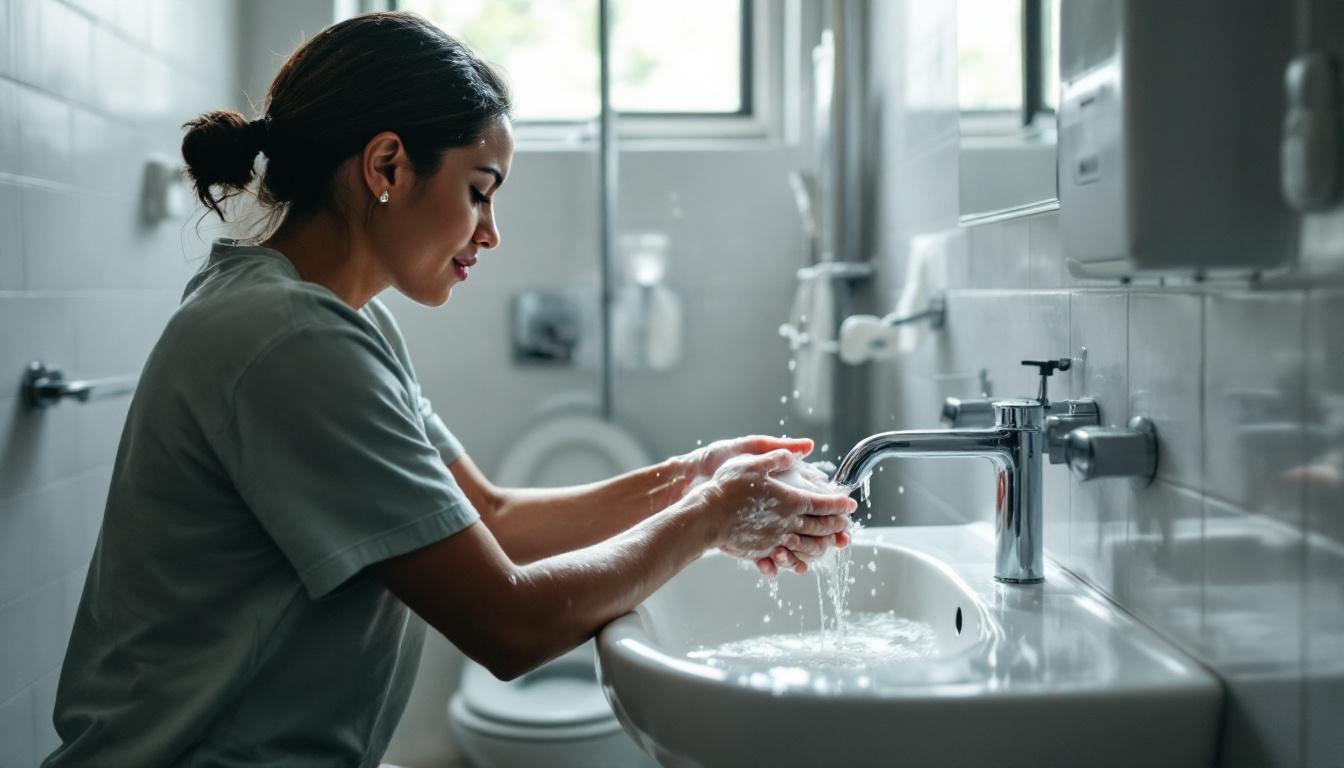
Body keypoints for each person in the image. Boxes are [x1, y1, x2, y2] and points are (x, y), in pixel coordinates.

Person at [42, 11, 855, 767]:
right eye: (479, 190)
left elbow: (491, 518)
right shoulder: (290, 338)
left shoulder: (326, 320)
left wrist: (695, 476)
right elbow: (511, 624)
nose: (490, 232)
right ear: (387, 164)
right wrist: (712, 514)